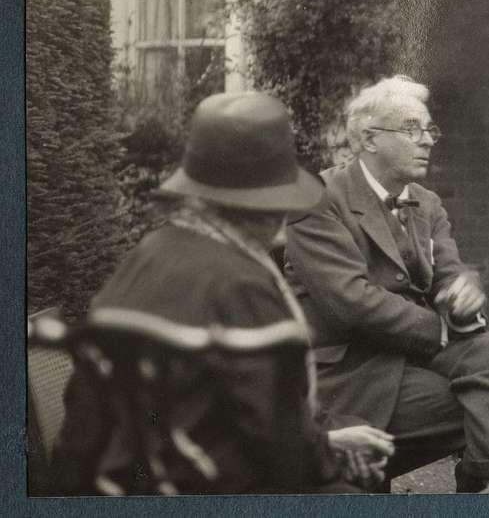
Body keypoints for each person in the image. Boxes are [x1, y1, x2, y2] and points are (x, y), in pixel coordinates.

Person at [53, 92, 394, 494]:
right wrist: (330, 458)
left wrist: (328, 441)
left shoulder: (151, 252)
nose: (284, 224)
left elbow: (205, 407)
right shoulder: (242, 282)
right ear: (255, 205)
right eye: (277, 203)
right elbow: (284, 454)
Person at [285, 75, 489, 492]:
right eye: (411, 128)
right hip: (353, 373)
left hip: (411, 358)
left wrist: (462, 293)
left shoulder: (426, 202)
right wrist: (439, 329)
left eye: (429, 129)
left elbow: (448, 270)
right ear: (368, 139)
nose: (428, 141)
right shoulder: (318, 200)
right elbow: (351, 300)